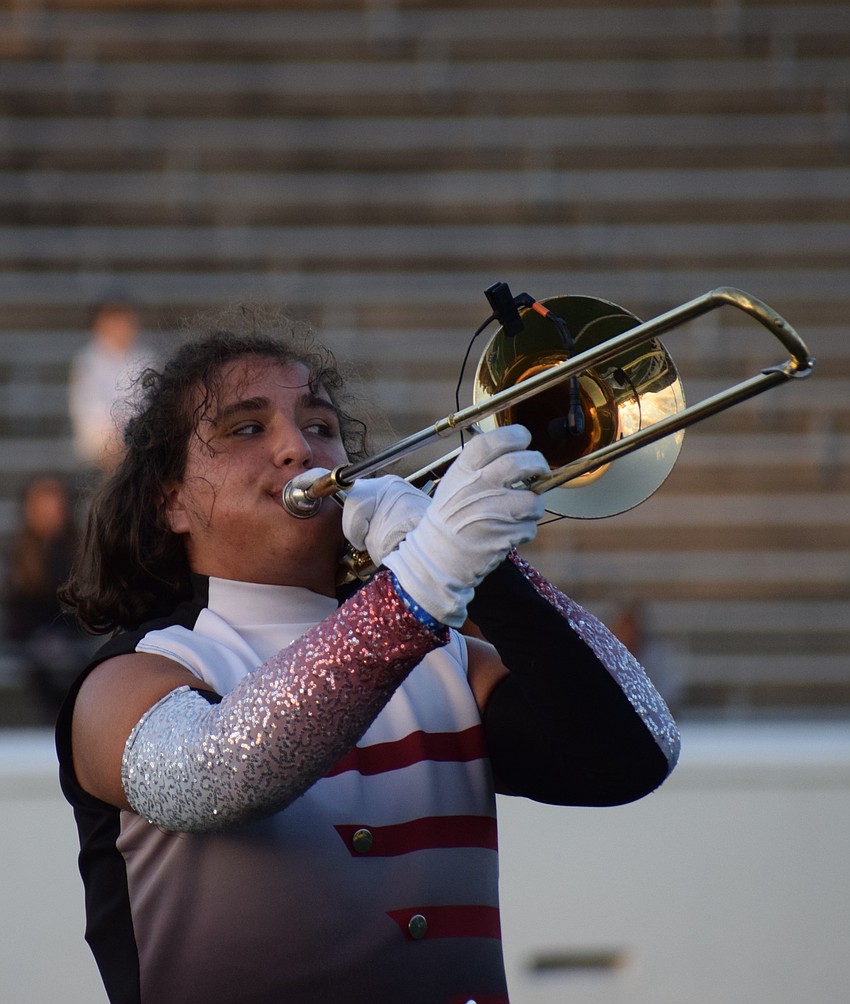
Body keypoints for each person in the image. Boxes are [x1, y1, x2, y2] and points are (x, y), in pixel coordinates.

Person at [55, 316, 680, 1004]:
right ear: (167, 500)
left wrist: (489, 567)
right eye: (246, 429)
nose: (299, 448)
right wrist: (427, 576)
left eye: (320, 426)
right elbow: (216, 776)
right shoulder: (137, 672)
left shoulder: (446, 657)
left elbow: (635, 753)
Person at [1, 476, 92, 721]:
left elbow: (84, 608)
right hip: (34, 648)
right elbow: (18, 616)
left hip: (73, 643)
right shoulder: (18, 558)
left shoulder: (79, 553)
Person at [68, 299, 157, 474]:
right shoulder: (86, 361)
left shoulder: (147, 358)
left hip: (138, 442)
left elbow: (150, 401)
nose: (120, 327)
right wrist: (114, 438)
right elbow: (87, 409)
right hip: (100, 448)